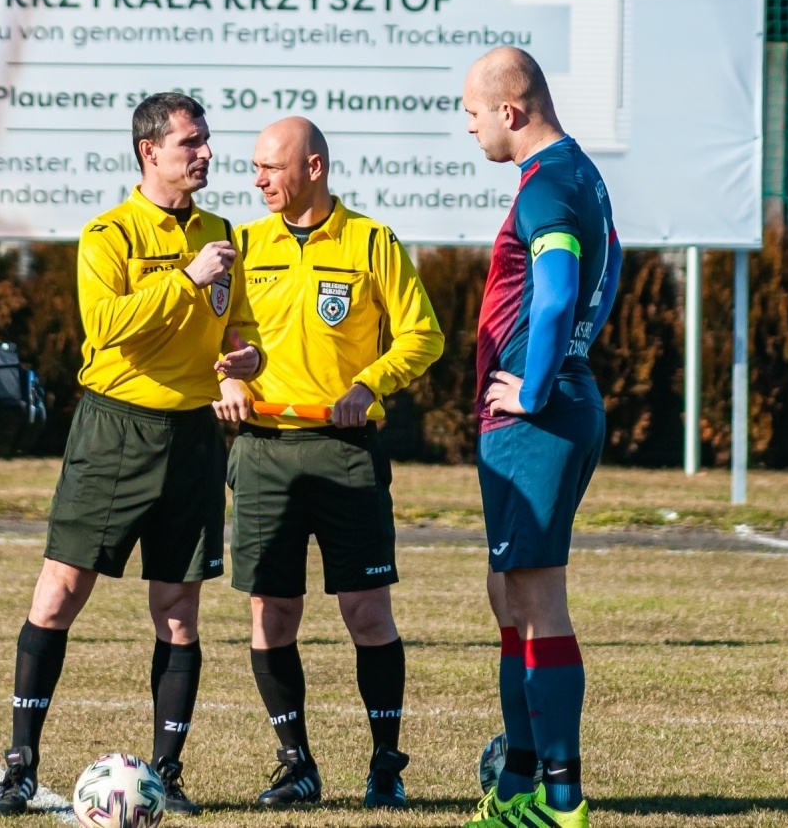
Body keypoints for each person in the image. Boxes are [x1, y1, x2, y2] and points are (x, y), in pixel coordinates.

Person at [0, 92, 258, 818]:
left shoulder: (223, 230)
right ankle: (18, 765)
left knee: (178, 610)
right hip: (114, 431)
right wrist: (186, 277)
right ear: (150, 151)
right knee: (60, 592)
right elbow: (107, 329)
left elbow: (240, 323)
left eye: (205, 140)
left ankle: (167, 770)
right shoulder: (109, 233)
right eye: (189, 143)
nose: (203, 152)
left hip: (193, 435)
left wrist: (245, 355)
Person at [217, 116, 444, 810]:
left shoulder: (372, 242)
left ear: (313, 167)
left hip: (347, 453)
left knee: (367, 611)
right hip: (263, 452)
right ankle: (297, 764)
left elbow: (423, 334)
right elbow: (215, 333)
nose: (257, 180)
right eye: (254, 167)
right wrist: (228, 374)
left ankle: (385, 765)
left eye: (271, 167)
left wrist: (367, 384)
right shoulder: (240, 245)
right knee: (271, 613)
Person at [461, 47, 621, 828]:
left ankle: (562, 800)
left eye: (474, 114)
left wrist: (532, 384)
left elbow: (558, 290)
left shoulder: (548, 185)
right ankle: (521, 781)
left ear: (511, 112)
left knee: (538, 599)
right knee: (509, 595)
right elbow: (612, 259)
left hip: (539, 414)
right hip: (555, 403)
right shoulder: (577, 172)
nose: (471, 128)